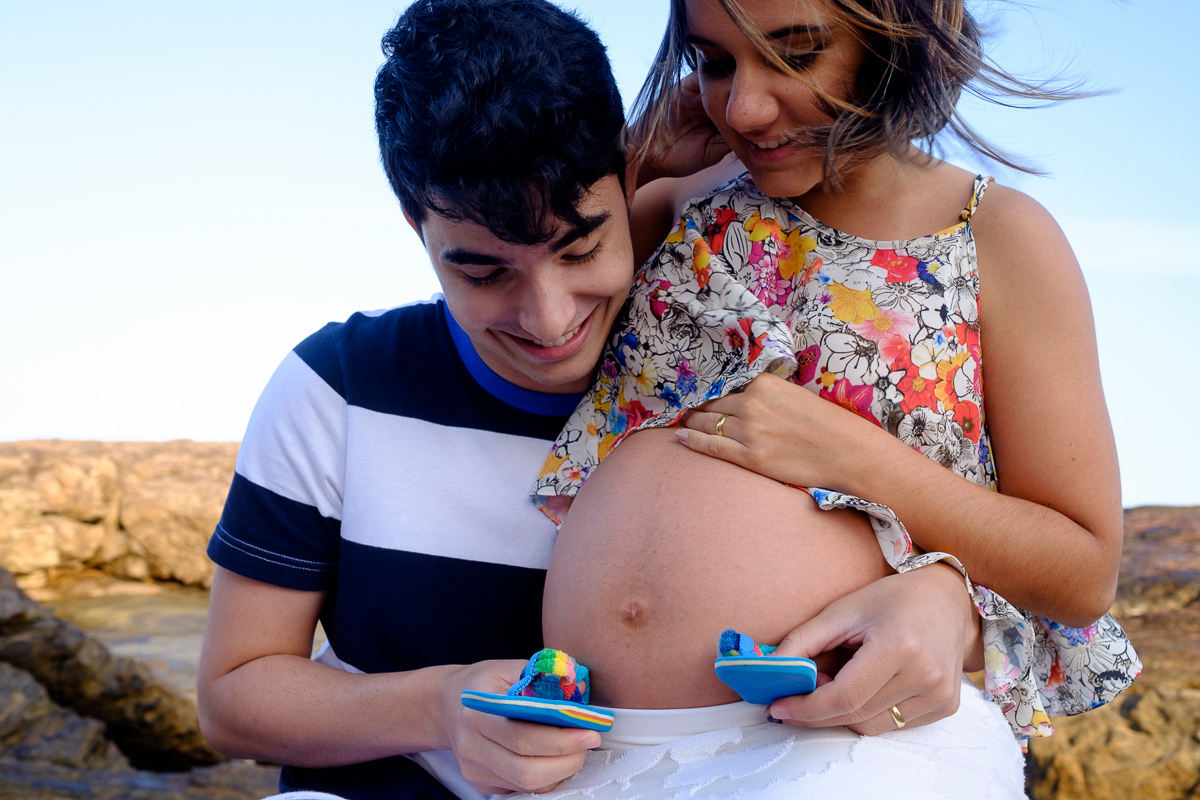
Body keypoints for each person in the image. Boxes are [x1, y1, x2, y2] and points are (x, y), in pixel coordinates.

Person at [198, 1, 1016, 798]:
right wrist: (437, 709)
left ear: (632, 177)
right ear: (417, 224)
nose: (548, 319)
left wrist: (952, 600)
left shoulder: (695, 339)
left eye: (581, 246)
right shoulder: (337, 386)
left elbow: (921, 506)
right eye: (483, 272)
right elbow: (233, 700)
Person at [521, 0, 1141, 796]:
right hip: (583, 747)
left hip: (840, 745)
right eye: (714, 63)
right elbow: (521, 303)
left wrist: (853, 458)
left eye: (796, 55)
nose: (742, 107)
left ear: (897, 42)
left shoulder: (995, 235)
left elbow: (1082, 570)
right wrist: (631, 160)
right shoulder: (679, 197)